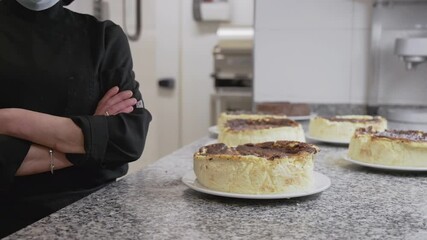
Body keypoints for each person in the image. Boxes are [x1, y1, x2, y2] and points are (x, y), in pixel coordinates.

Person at [0, 0, 152, 237]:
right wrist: (93, 133)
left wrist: (11, 120)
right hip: (10, 219)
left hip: (101, 215)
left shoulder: (104, 37)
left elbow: (129, 138)